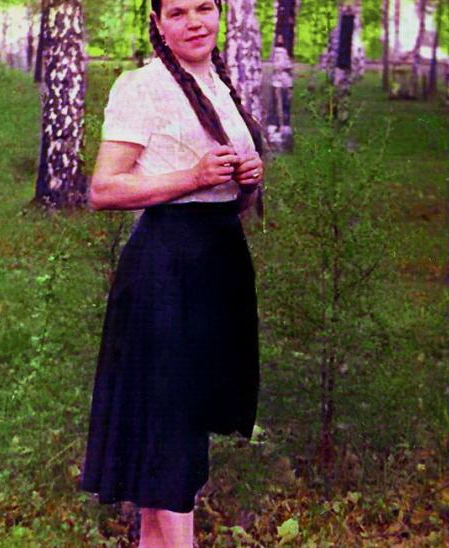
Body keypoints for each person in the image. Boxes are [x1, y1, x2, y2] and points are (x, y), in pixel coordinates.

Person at [79, 1, 264, 546]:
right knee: (168, 430)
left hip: (217, 267)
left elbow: (219, 194)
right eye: (178, 12)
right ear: (158, 24)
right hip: (166, 271)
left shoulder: (219, 84)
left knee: (186, 426)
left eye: (204, 7)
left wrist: (246, 182)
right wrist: (194, 177)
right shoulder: (142, 87)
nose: (195, 22)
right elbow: (103, 189)